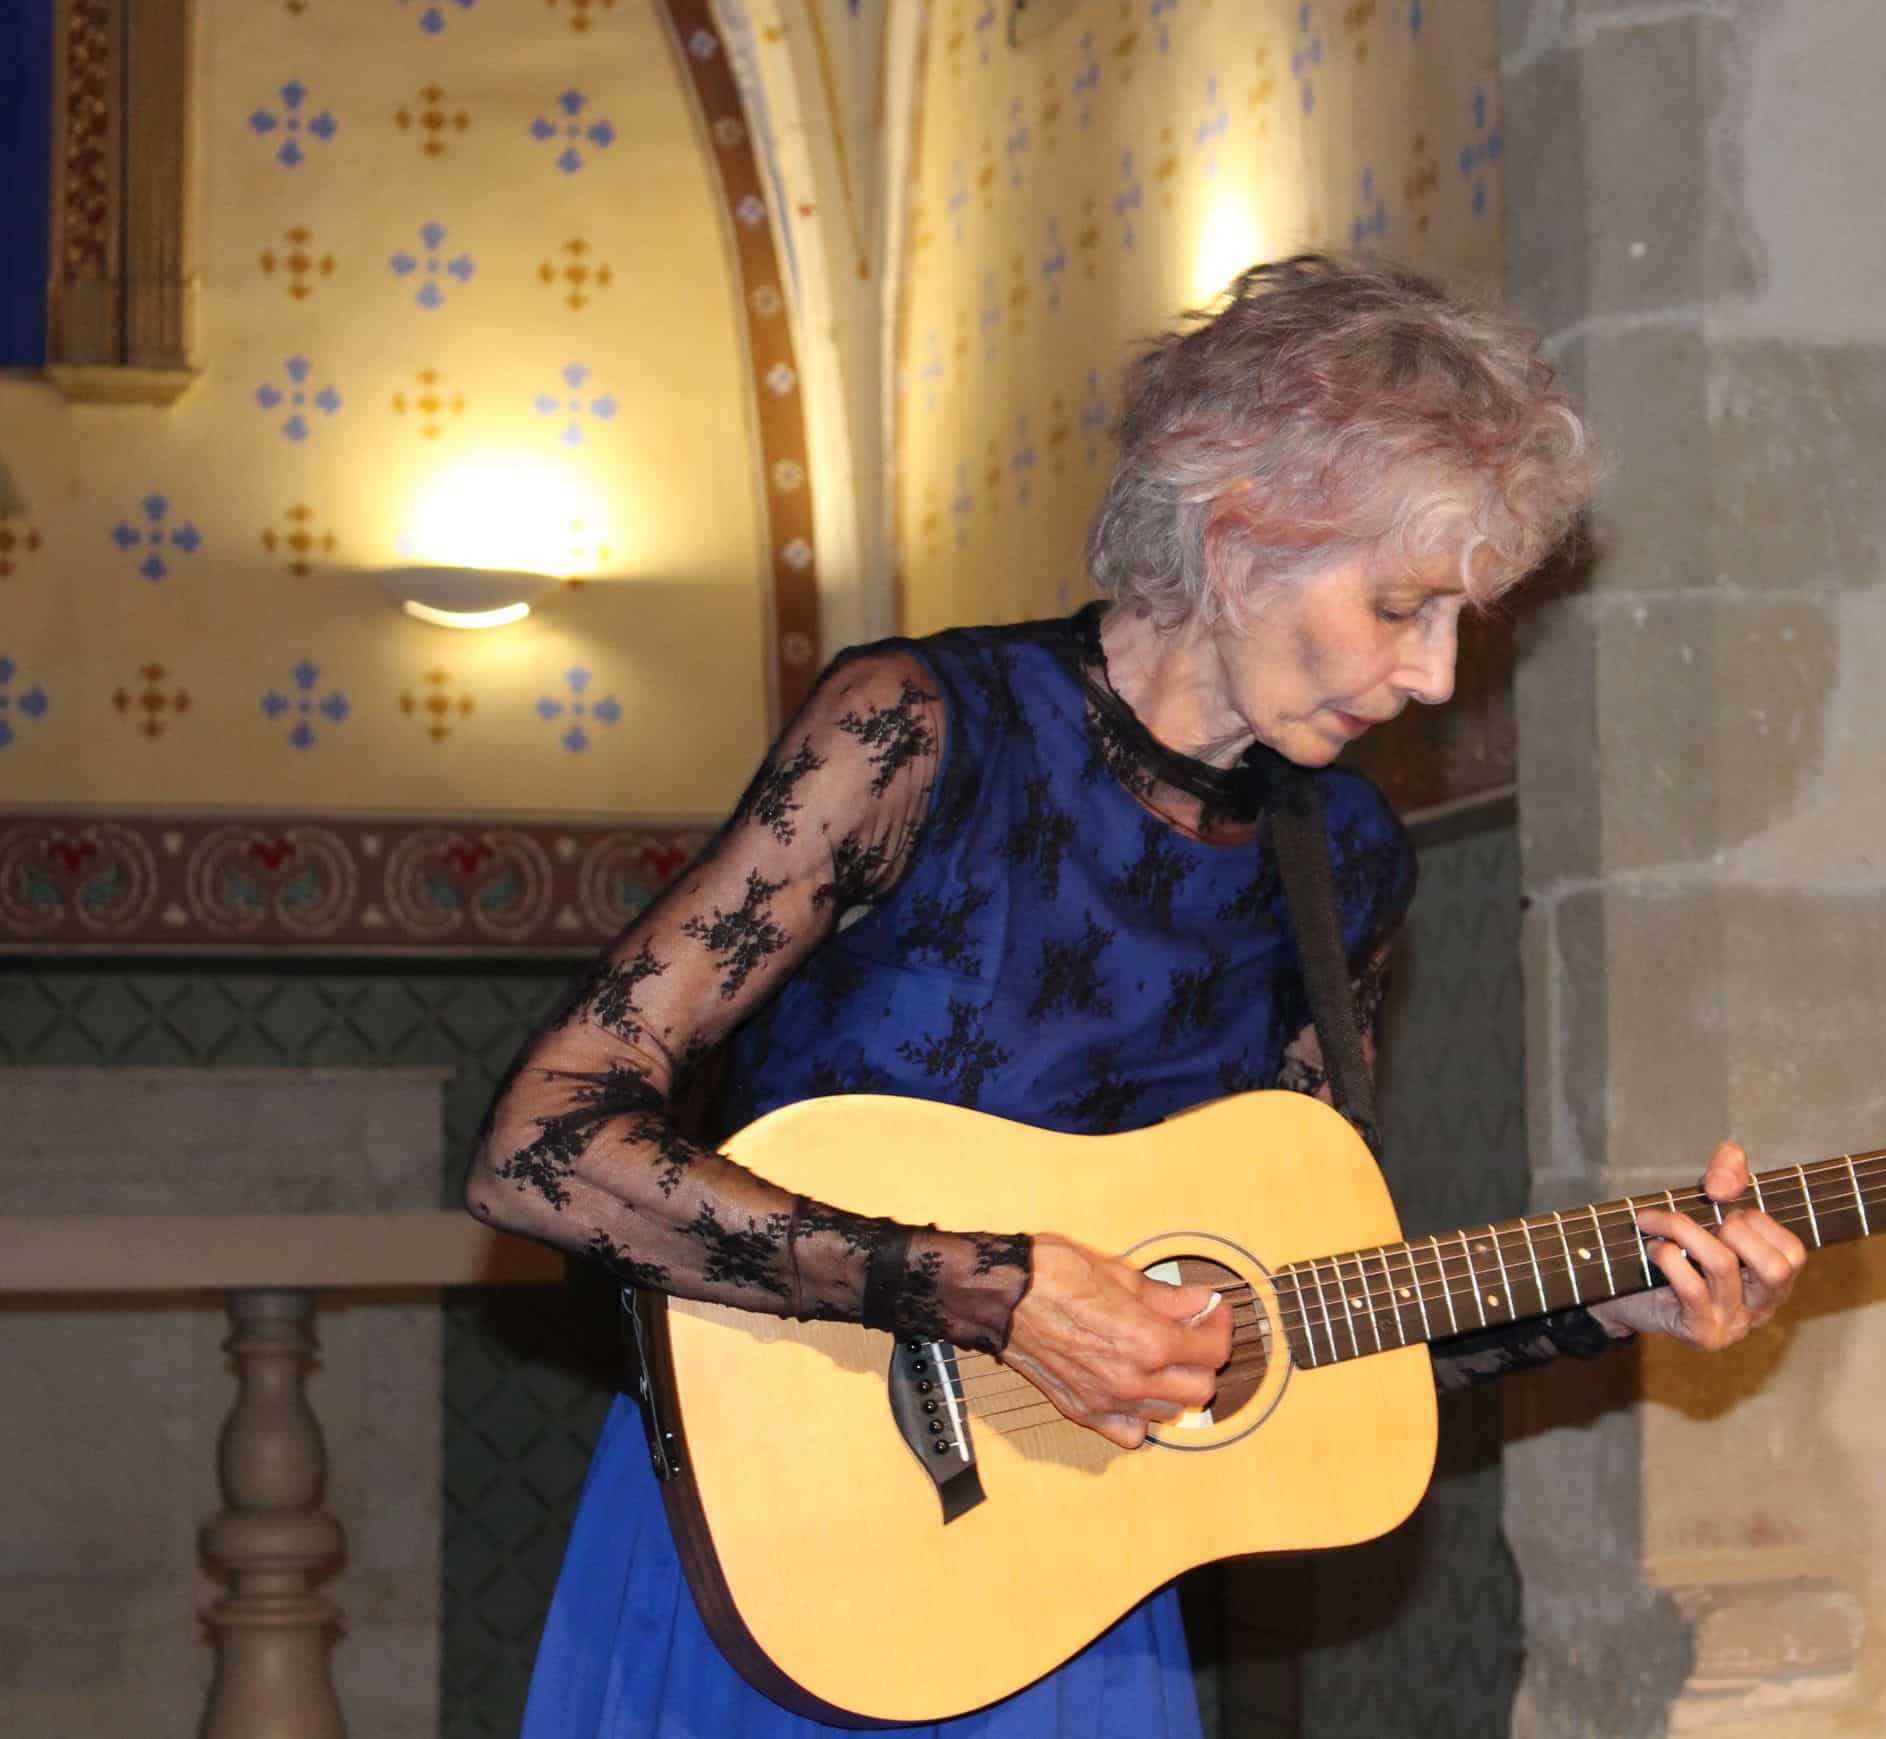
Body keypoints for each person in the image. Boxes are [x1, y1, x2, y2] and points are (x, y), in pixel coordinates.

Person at [466, 253, 1808, 1739]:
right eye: (1400, 607)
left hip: (1083, 1584)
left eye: (1459, 624)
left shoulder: (1345, 857)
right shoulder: (921, 733)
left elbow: (1291, 1319)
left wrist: (1596, 1299)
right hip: (785, 1536)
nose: (1435, 677)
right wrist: (1002, 1290)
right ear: (1236, 541)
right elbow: (541, 1151)